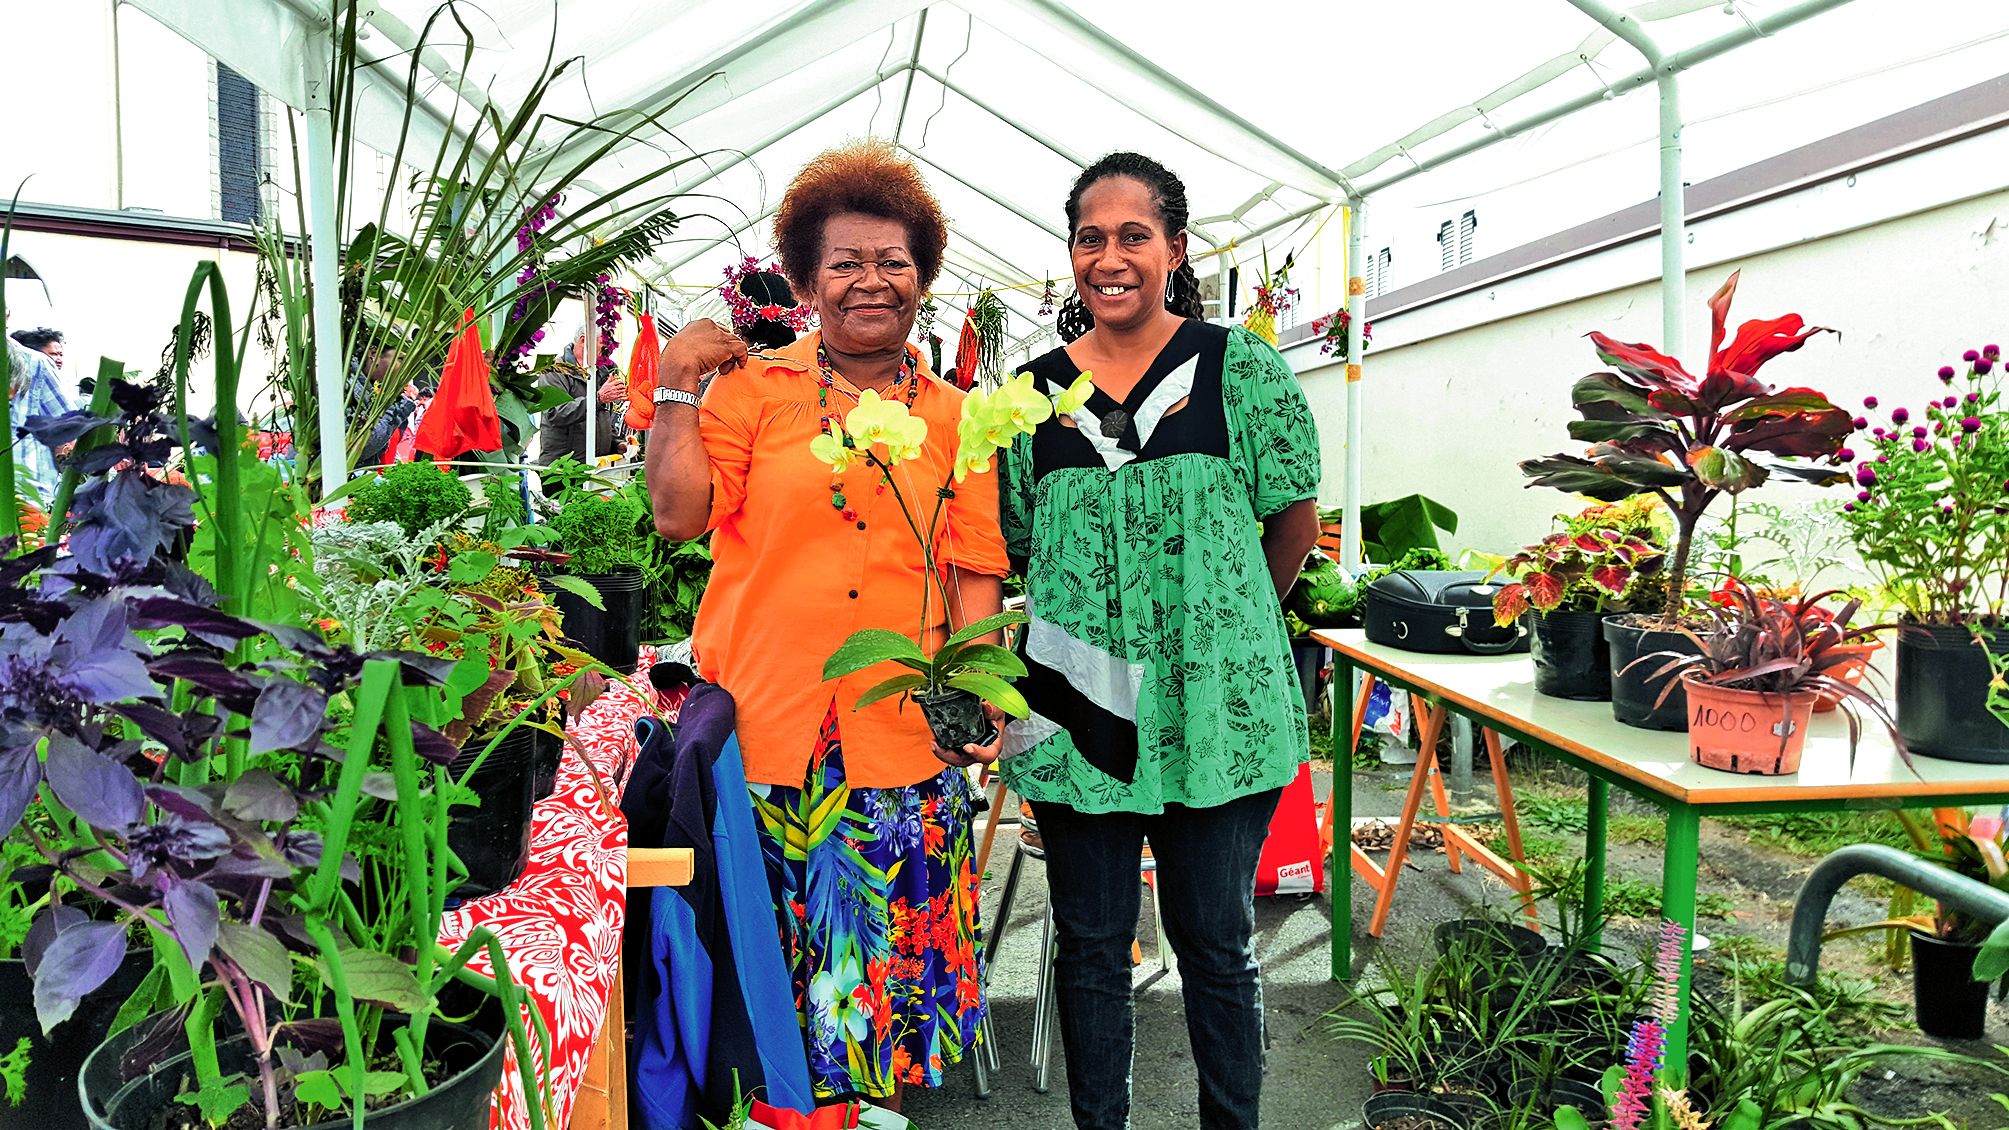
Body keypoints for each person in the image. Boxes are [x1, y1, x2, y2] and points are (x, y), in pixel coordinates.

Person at [645, 139, 1008, 1109]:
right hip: (768, 725)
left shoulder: (956, 416)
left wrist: (973, 695)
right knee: (766, 971)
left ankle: (852, 1106)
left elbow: (973, 571)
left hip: (896, 734)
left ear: (922, 277)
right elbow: (678, 515)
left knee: (872, 973)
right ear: (806, 279)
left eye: (891, 260)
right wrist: (676, 388)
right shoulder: (753, 392)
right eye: (844, 262)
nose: (869, 280)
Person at [995, 152, 1323, 1130]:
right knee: (1089, 945)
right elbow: (1015, 541)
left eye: (1132, 234)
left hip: (1213, 717)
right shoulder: (1029, 395)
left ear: (1175, 249)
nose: (1109, 255)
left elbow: (1291, 519)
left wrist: (1220, 639)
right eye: (1089, 237)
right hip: (1077, 711)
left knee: (1215, 943)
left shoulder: (1240, 369)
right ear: (1071, 256)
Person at [539, 327, 625, 480]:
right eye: (603, 345)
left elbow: (601, 418)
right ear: (584, 340)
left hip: (597, 467)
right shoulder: (554, 371)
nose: (607, 351)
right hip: (563, 470)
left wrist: (617, 444)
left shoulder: (601, 372)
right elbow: (555, 413)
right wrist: (597, 398)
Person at [8, 332, 74, 501]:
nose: (58, 359)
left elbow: (69, 426)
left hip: (25, 496)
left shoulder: (34, 363)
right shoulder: (34, 362)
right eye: (54, 354)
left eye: (60, 354)